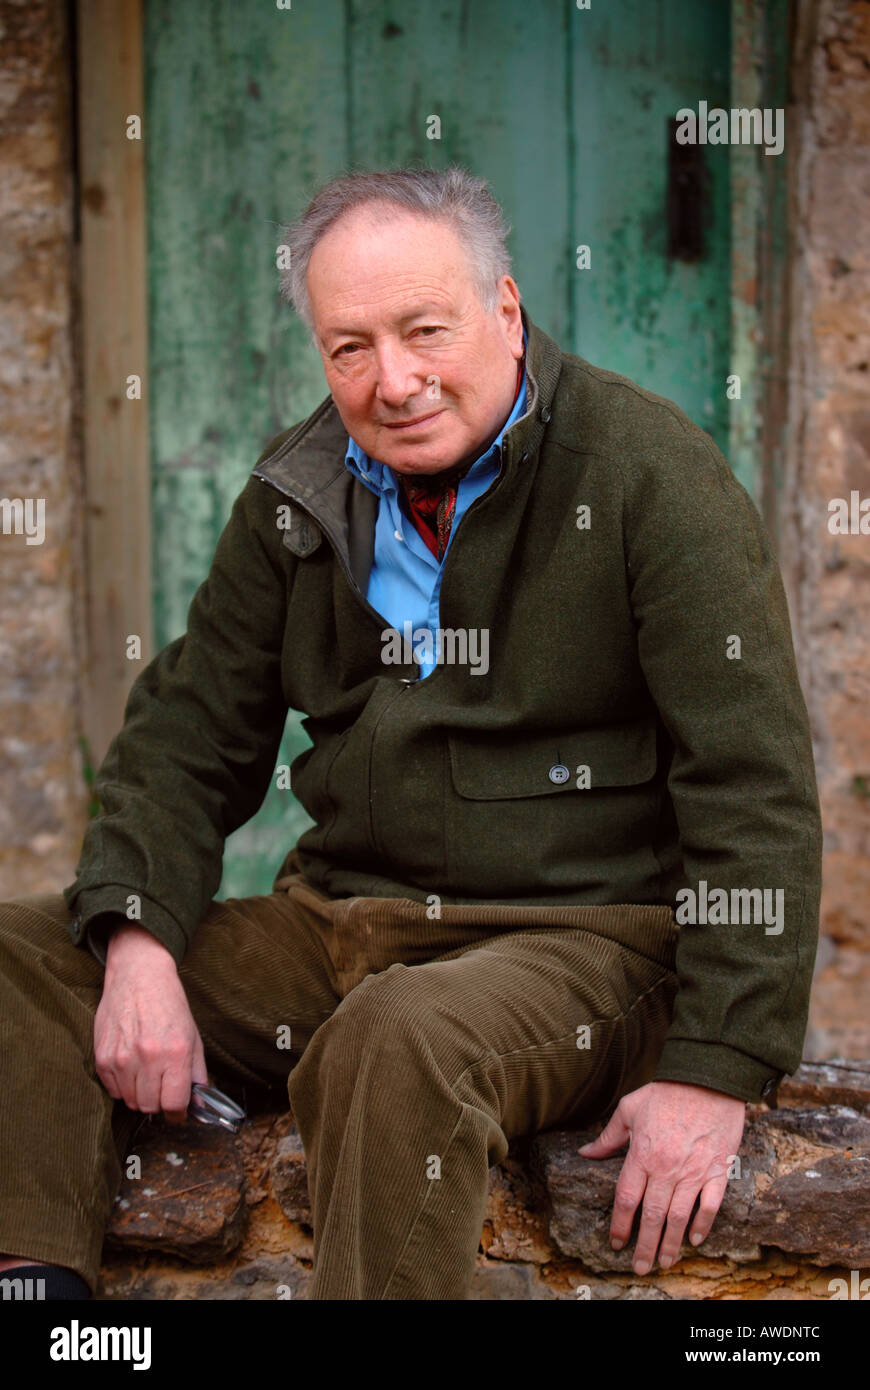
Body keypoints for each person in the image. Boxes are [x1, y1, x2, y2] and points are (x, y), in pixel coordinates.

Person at [0, 166, 822, 1301]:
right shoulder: (298, 495)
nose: (393, 381)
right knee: (31, 950)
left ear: (505, 309)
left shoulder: (646, 477)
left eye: (424, 329)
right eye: (349, 348)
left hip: (586, 944)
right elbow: (187, 733)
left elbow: (755, 787)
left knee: (401, 1039)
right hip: (344, 924)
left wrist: (719, 1065)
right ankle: (39, 1299)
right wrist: (137, 940)